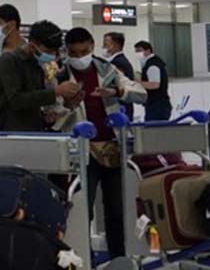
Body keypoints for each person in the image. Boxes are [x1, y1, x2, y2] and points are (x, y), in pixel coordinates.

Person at [57, 28, 146, 258]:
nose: (79, 57)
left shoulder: (107, 69)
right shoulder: (58, 75)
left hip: (111, 148)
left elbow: (141, 93)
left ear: (92, 47)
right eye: (74, 53)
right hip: (81, 153)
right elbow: (51, 116)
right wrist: (68, 106)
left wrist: (116, 91)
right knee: (81, 211)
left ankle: (118, 258)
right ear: (66, 51)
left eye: (84, 51)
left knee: (116, 210)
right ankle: (83, 259)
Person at [0, 20, 79, 132]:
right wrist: (56, 91)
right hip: (11, 131)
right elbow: (16, 100)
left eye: (55, 52)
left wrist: (47, 115)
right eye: (48, 51)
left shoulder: (38, 64)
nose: (52, 55)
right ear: (32, 46)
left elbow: (35, 98)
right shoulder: (9, 61)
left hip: (35, 128)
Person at [134, 41, 172, 122]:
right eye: (136, 51)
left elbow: (155, 85)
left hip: (157, 106)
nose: (137, 53)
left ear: (148, 50)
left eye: (139, 50)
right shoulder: (151, 63)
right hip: (157, 105)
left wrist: (137, 82)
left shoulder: (153, 66)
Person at [103, 32, 136, 119]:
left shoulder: (118, 63)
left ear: (115, 45)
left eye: (105, 44)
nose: (103, 47)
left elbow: (115, 84)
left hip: (120, 108)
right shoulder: (120, 61)